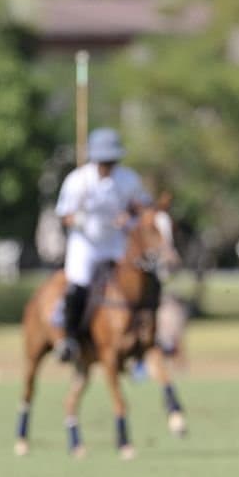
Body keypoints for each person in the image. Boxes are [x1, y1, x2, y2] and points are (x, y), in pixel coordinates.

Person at [53, 126, 150, 362]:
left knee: (142, 279)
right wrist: (80, 219)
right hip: (86, 244)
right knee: (79, 285)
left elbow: (145, 207)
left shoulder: (128, 179)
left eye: (111, 160)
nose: (108, 166)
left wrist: (131, 218)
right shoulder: (78, 180)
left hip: (117, 242)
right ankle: (70, 338)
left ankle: (148, 336)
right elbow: (64, 215)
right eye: (103, 161)